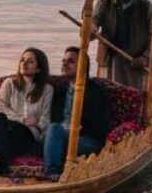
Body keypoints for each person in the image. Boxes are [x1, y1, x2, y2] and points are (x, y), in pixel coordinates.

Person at [0, 48, 53, 175]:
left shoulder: (47, 90)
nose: (24, 64)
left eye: (30, 61)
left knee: (9, 139)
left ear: (39, 68)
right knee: (0, 118)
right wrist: (24, 120)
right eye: (22, 60)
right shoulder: (9, 83)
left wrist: (35, 124)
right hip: (0, 129)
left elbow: (45, 120)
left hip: (25, 135)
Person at [42, 46, 110, 177]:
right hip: (58, 137)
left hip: (86, 140)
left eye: (71, 61)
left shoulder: (96, 92)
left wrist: (77, 128)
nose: (65, 64)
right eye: (63, 61)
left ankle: (52, 174)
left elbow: (101, 126)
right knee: (46, 132)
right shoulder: (59, 92)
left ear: (83, 66)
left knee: (54, 129)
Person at [91, 0, 152, 89]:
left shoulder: (146, 6)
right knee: (106, 93)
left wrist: (145, 57)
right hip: (109, 61)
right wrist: (91, 28)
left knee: (132, 97)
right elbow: (94, 19)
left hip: (134, 63)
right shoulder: (104, 1)